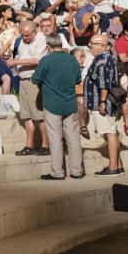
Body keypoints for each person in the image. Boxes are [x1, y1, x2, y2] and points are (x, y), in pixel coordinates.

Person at [32, 35, 84, 180]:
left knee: (55, 139)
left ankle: (57, 172)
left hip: (52, 104)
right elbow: (78, 80)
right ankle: (77, 171)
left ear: (48, 46)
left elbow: (35, 79)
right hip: (70, 103)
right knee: (73, 138)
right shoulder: (72, 60)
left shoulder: (46, 60)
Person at [82, 35, 124, 176]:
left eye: (92, 43)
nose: (90, 45)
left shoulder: (102, 60)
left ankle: (113, 167)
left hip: (101, 102)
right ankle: (118, 165)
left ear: (101, 45)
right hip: (104, 102)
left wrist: (101, 102)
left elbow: (104, 83)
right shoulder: (108, 58)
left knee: (109, 133)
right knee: (111, 132)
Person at [11, 20, 50, 157]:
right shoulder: (22, 40)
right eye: (22, 35)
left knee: (39, 115)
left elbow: (37, 60)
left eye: (27, 35)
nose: (24, 38)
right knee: (26, 115)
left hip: (35, 80)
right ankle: (30, 145)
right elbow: (20, 56)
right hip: (23, 79)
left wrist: (16, 62)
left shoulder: (42, 40)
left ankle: (46, 145)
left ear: (34, 31)